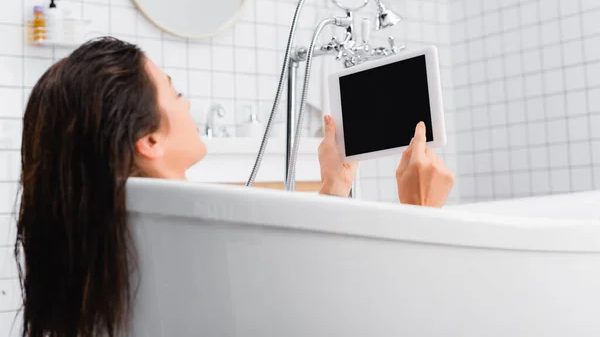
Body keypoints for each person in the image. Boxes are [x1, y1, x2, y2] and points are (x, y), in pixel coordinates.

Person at [15, 37, 453, 336]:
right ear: (149, 141)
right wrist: (421, 215)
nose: (186, 103)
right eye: (175, 92)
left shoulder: (110, 239)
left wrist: (334, 188)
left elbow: (289, 286)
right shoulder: (193, 242)